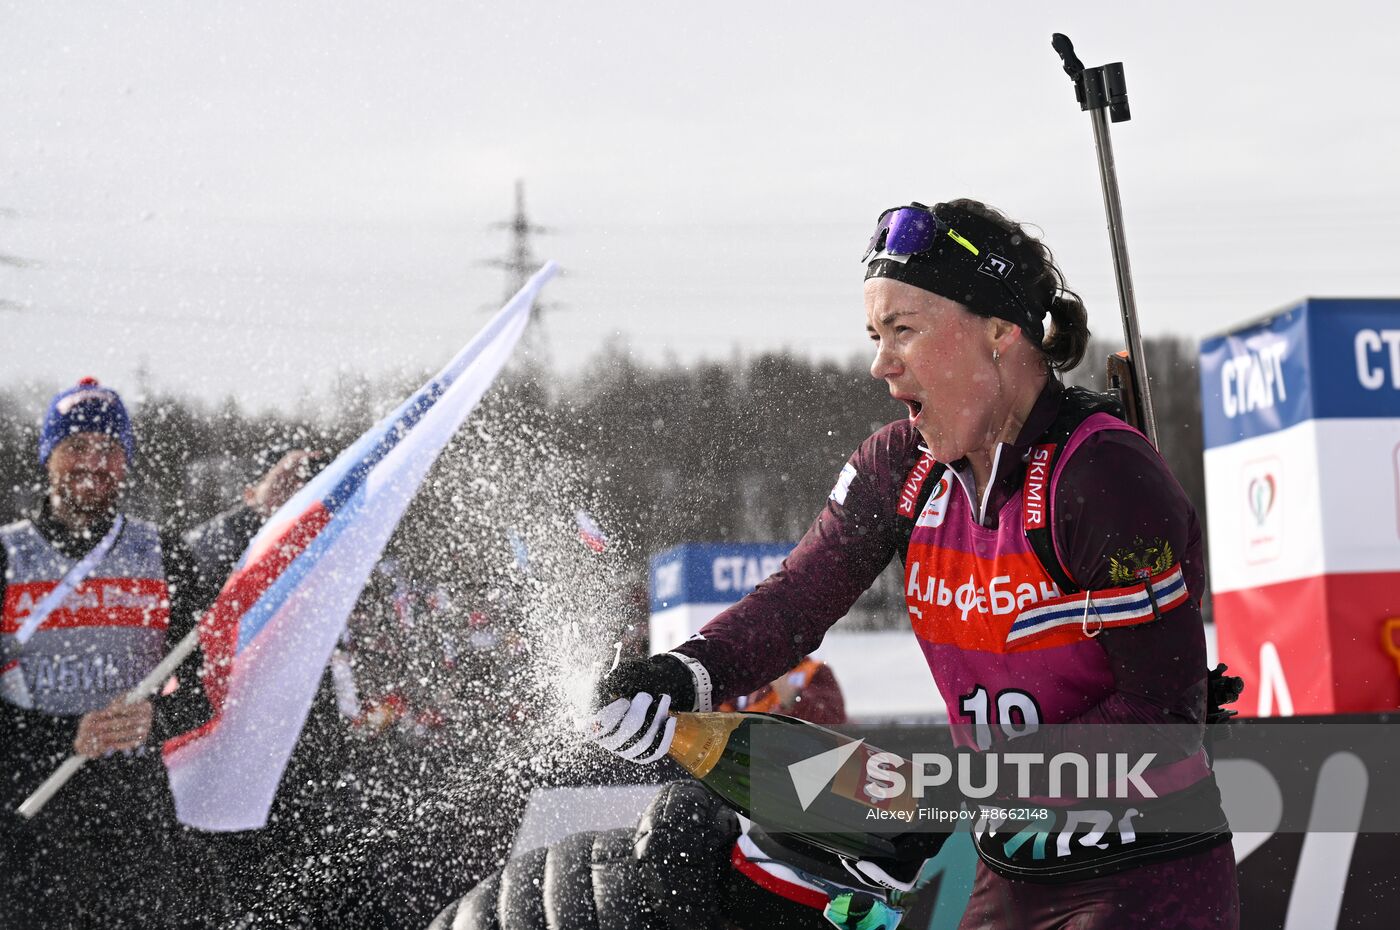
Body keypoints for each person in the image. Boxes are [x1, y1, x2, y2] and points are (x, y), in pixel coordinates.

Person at [586, 200, 1241, 928]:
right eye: (875, 334)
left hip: (1142, 872)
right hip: (1008, 872)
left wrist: (950, 792)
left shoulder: (1101, 475)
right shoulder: (902, 468)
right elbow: (796, 603)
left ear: (999, 331)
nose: (880, 362)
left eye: (904, 330)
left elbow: (1162, 716)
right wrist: (683, 675)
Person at [0, 378, 226, 925]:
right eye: (76, 446)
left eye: (110, 450)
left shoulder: (163, 552)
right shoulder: (8, 554)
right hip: (27, 816)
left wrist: (156, 718)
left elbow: (212, 681)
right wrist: (64, 735)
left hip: (132, 819)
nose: (93, 462)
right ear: (47, 456)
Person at [717, 655, 845, 724]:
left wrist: (793, 700)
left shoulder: (815, 670)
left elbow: (833, 722)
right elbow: (717, 722)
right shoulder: (741, 676)